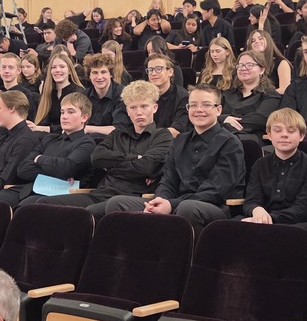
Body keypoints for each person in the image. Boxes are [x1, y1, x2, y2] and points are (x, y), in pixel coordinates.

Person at [101, 84, 246, 236]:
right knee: (117, 204)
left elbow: (216, 190)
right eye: (193, 105)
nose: (199, 110)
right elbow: (168, 180)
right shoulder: (179, 141)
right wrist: (159, 200)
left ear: (218, 110)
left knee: (188, 208)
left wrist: (171, 204)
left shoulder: (230, 143)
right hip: (176, 203)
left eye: (206, 105)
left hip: (214, 206)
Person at [37, 81, 173, 214]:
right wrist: (133, 158)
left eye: (144, 106)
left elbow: (147, 167)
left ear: (154, 108)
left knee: (94, 210)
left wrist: (111, 165)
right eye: (133, 108)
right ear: (127, 110)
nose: (138, 112)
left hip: (131, 196)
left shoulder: (162, 135)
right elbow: (96, 158)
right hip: (101, 194)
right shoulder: (117, 134)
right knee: (43, 204)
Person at [0, 92, 96, 207]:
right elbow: (23, 169)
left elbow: (66, 168)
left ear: (84, 117)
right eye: (62, 112)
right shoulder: (49, 139)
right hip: (29, 189)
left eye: (70, 112)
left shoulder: (87, 143)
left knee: (26, 207)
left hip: (59, 194)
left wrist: (39, 159)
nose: (64, 116)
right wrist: (57, 172)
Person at [242, 108, 307, 243]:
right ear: (269, 135)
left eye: (291, 131)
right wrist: (257, 210)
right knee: (229, 229)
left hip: (300, 223)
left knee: (283, 236)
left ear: (301, 136)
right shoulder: (260, 164)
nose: (284, 135)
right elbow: (251, 199)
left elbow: (304, 208)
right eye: (277, 130)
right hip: (263, 220)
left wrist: (270, 219)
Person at [220, 50, 281, 144]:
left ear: (261, 70)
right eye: (240, 65)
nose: (243, 68)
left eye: (249, 65)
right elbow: (213, 113)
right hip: (222, 137)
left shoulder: (270, 94)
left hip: (250, 140)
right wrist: (224, 118)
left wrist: (226, 122)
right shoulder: (228, 93)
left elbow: (259, 120)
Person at [0, 53, 39, 132]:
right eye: (4, 67)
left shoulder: (26, 95)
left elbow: (29, 124)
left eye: (11, 67)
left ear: (18, 70)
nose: (6, 71)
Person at [31, 53, 83, 133]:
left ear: (69, 70)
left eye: (62, 67)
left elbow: (73, 125)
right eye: (54, 67)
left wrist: (43, 129)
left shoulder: (78, 92)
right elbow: (43, 120)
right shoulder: (48, 92)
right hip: (49, 135)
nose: (57, 70)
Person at [83, 53, 127, 136]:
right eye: (95, 73)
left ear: (110, 74)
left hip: (114, 140)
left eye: (103, 72)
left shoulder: (122, 94)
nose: (99, 77)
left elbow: (120, 129)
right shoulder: (84, 96)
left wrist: (88, 128)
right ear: (89, 76)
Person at [146, 54, 189, 137]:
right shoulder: (142, 96)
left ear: (170, 72)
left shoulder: (182, 96)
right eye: (150, 70)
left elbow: (177, 131)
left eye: (158, 69)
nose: (153, 73)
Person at [248, 28, 292, 93]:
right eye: (253, 41)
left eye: (260, 38)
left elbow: (284, 89)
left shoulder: (282, 63)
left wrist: (262, 95)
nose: (256, 41)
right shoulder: (249, 66)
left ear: (268, 41)